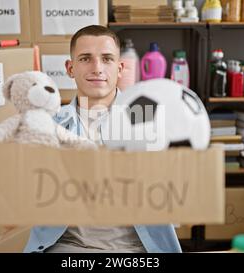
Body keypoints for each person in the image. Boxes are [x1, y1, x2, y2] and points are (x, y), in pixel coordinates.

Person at [23, 25, 182, 253]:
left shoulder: (148, 121)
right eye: (86, 58)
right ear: (70, 68)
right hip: (69, 248)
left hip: (137, 249)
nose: (97, 68)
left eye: (106, 59)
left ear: (120, 69)